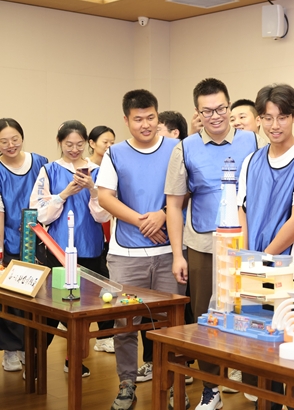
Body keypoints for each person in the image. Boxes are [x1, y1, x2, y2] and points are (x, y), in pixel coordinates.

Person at [165, 78, 263, 409]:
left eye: (221, 108)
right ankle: (211, 389)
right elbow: (174, 205)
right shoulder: (185, 148)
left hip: (246, 245)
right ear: (197, 113)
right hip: (203, 245)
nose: (215, 116)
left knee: (250, 314)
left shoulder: (252, 140)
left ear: (229, 107)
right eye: (207, 111)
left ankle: (253, 382)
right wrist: (178, 254)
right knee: (205, 318)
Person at [237, 83, 294, 410]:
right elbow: (242, 211)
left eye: (282, 117)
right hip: (254, 270)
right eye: (268, 118)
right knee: (262, 351)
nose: (275, 125)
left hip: (293, 272)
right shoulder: (252, 160)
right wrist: (247, 257)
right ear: (259, 119)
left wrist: (264, 257)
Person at [97, 89, 186, 410]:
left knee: (172, 326)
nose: (145, 124)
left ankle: (172, 384)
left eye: (151, 118)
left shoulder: (177, 148)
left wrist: (162, 213)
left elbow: (189, 191)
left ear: (158, 117)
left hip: (169, 253)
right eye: (138, 119)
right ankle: (126, 384)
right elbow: (105, 196)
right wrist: (140, 221)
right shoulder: (115, 153)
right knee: (124, 324)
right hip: (126, 254)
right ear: (126, 120)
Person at [30, 120, 112, 376]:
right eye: (69, 144)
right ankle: (35, 361)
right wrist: (64, 193)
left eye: (79, 144)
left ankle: (74, 359)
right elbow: (39, 213)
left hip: (91, 249)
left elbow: (103, 215)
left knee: (83, 311)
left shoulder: (98, 171)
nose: (74, 150)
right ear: (59, 142)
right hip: (57, 250)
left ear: (87, 143)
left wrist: (93, 191)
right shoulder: (49, 170)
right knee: (52, 310)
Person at [136, 110, 195, 385]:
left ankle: (184, 366)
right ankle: (153, 362)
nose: (152, 131)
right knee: (150, 311)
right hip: (146, 244)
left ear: (174, 134)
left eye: (158, 128)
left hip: (183, 243)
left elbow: (185, 196)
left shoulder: (184, 154)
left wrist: (161, 214)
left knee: (182, 311)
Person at [0, 118, 48, 373]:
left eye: (14, 139)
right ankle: (11, 349)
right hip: (9, 241)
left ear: (22, 137)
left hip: (40, 242)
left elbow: (49, 198)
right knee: (11, 299)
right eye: (3, 141)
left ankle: (29, 348)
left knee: (37, 298)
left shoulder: (40, 162)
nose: (10, 145)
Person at [87, 125, 116, 353]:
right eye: (105, 142)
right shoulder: (86, 168)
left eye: (112, 142)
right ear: (92, 143)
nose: (109, 146)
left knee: (106, 284)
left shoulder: (113, 167)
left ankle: (104, 336)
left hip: (109, 233)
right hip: (89, 233)